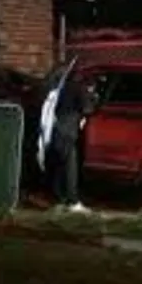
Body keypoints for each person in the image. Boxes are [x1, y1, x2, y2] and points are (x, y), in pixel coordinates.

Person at [41, 65, 94, 213]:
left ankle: (59, 199)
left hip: (54, 130)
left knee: (58, 165)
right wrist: (90, 97)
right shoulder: (77, 88)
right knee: (70, 167)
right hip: (68, 131)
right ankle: (72, 201)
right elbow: (87, 108)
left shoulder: (56, 90)